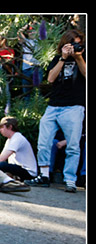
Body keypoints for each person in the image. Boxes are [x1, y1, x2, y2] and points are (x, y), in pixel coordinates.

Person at [25, 29, 86, 193]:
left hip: (74, 106)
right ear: (64, 44)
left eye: (78, 43)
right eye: (72, 43)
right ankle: (44, 175)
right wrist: (63, 58)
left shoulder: (83, 57)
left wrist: (79, 57)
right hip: (53, 106)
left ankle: (70, 180)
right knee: (43, 142)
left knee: (73, 146)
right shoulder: (57, 59)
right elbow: (51, 78)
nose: (75, 47)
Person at [0, 117, 38, 183]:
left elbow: (0, 160)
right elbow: (0, 159)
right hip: (18, 168)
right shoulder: (10, 140)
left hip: (28, 172)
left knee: (2, 165)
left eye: (2, 127)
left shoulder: (17, 138)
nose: (0, 130)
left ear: (10, 127)